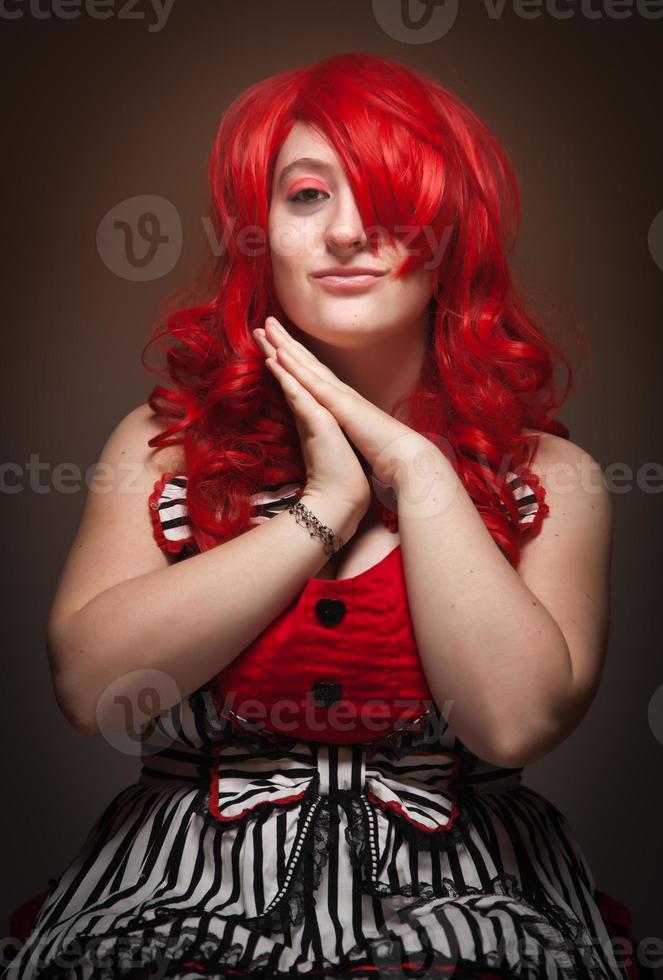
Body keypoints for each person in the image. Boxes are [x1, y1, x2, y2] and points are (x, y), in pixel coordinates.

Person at [4, 52, 644, 980]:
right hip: (181, 901)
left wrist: (415, 470)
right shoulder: (163, 450)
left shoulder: (552, 478)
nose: (346, 231)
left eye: (391, 195)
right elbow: (94, 689)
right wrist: (325, 506)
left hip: (469, 904)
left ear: (452, 234)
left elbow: (511, 722)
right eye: (305, 196)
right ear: (255, 232)